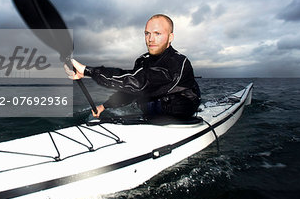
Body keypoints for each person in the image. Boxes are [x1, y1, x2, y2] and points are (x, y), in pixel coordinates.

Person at [67, 14, 201, 120]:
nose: (150, 39)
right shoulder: (143, 61)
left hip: (180, 119)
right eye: (147, 33)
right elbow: (130, 90)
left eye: (157, 34)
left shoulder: (178, 62)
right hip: (152, 119)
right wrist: (104, 106)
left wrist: (88, 71)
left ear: (170, 37)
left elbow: (140, 83)